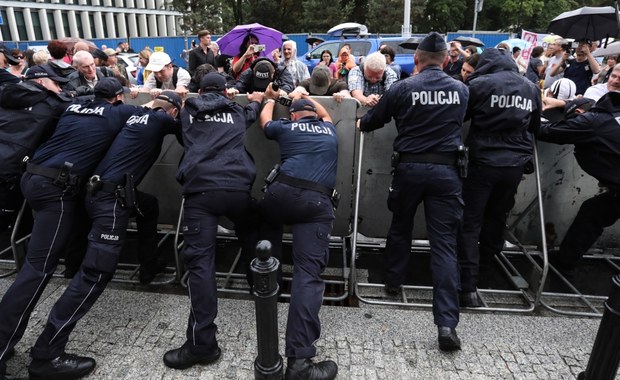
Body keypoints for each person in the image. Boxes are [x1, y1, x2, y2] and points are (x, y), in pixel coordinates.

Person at [0, 77, 140, 380]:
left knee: (36, 266)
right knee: (36, 270)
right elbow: (152, 112)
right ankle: (24, 352)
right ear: (117, 97)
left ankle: (6, 343)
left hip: (31, 180)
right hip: (56, 189)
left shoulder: (73, 106)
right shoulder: (118, 112)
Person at [358, 32, 469, 352]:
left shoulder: (403, 88)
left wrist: (361, 124)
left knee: (401, 225)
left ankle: (393, 282)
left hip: (409, 169)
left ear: (417, 61)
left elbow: (373, 121)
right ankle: (447, 325)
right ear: (447, 60)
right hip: (447, 173)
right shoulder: (461, 90)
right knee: (445, 245)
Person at [163, 73, 263, 370]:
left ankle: (202, 344)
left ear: (199, 90)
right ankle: (258, 282)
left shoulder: (187, 111)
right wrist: (256, 99)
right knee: (252, 229)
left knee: (201, 266)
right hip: (237, 189)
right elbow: (255, 108)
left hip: (202, 193)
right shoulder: (237, 110)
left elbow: (182, 133)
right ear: (226, 91)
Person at [259, 90, 339, 380]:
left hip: (280, 196)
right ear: (315, 116)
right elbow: (327, 114)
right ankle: (300, 363)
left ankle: (268, 282)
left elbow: (265, 122)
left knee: (266, 235)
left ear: (292, 116)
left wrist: (269, 98)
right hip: (316, 205)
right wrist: (305, 96)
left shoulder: (286, 127)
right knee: (308, 276)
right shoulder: (328, 128)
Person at [457, 48, 541, 307]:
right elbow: (535, 126)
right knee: (497, 218)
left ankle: (467, 287)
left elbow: (461, 116)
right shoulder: (531, 87)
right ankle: (486, 267)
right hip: (515, 165)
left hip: (483, 162)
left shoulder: (479, 84)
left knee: (470, 222)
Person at [532, 91, 620, 277]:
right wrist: (562, 103)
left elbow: (547, 131)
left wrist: (528, 114)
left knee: (594, 212)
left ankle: (566, 262)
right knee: (593, 212)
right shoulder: (611, 117)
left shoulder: (592, 122)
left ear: (579, 114)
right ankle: (566, 261)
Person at [0, 65, 71, 237]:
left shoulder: (4, 93)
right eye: (56, 84)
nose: (60, 88)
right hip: (12, 172)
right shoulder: (52, 104)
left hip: (7, 165)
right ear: (41, 82)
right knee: (17, 224)